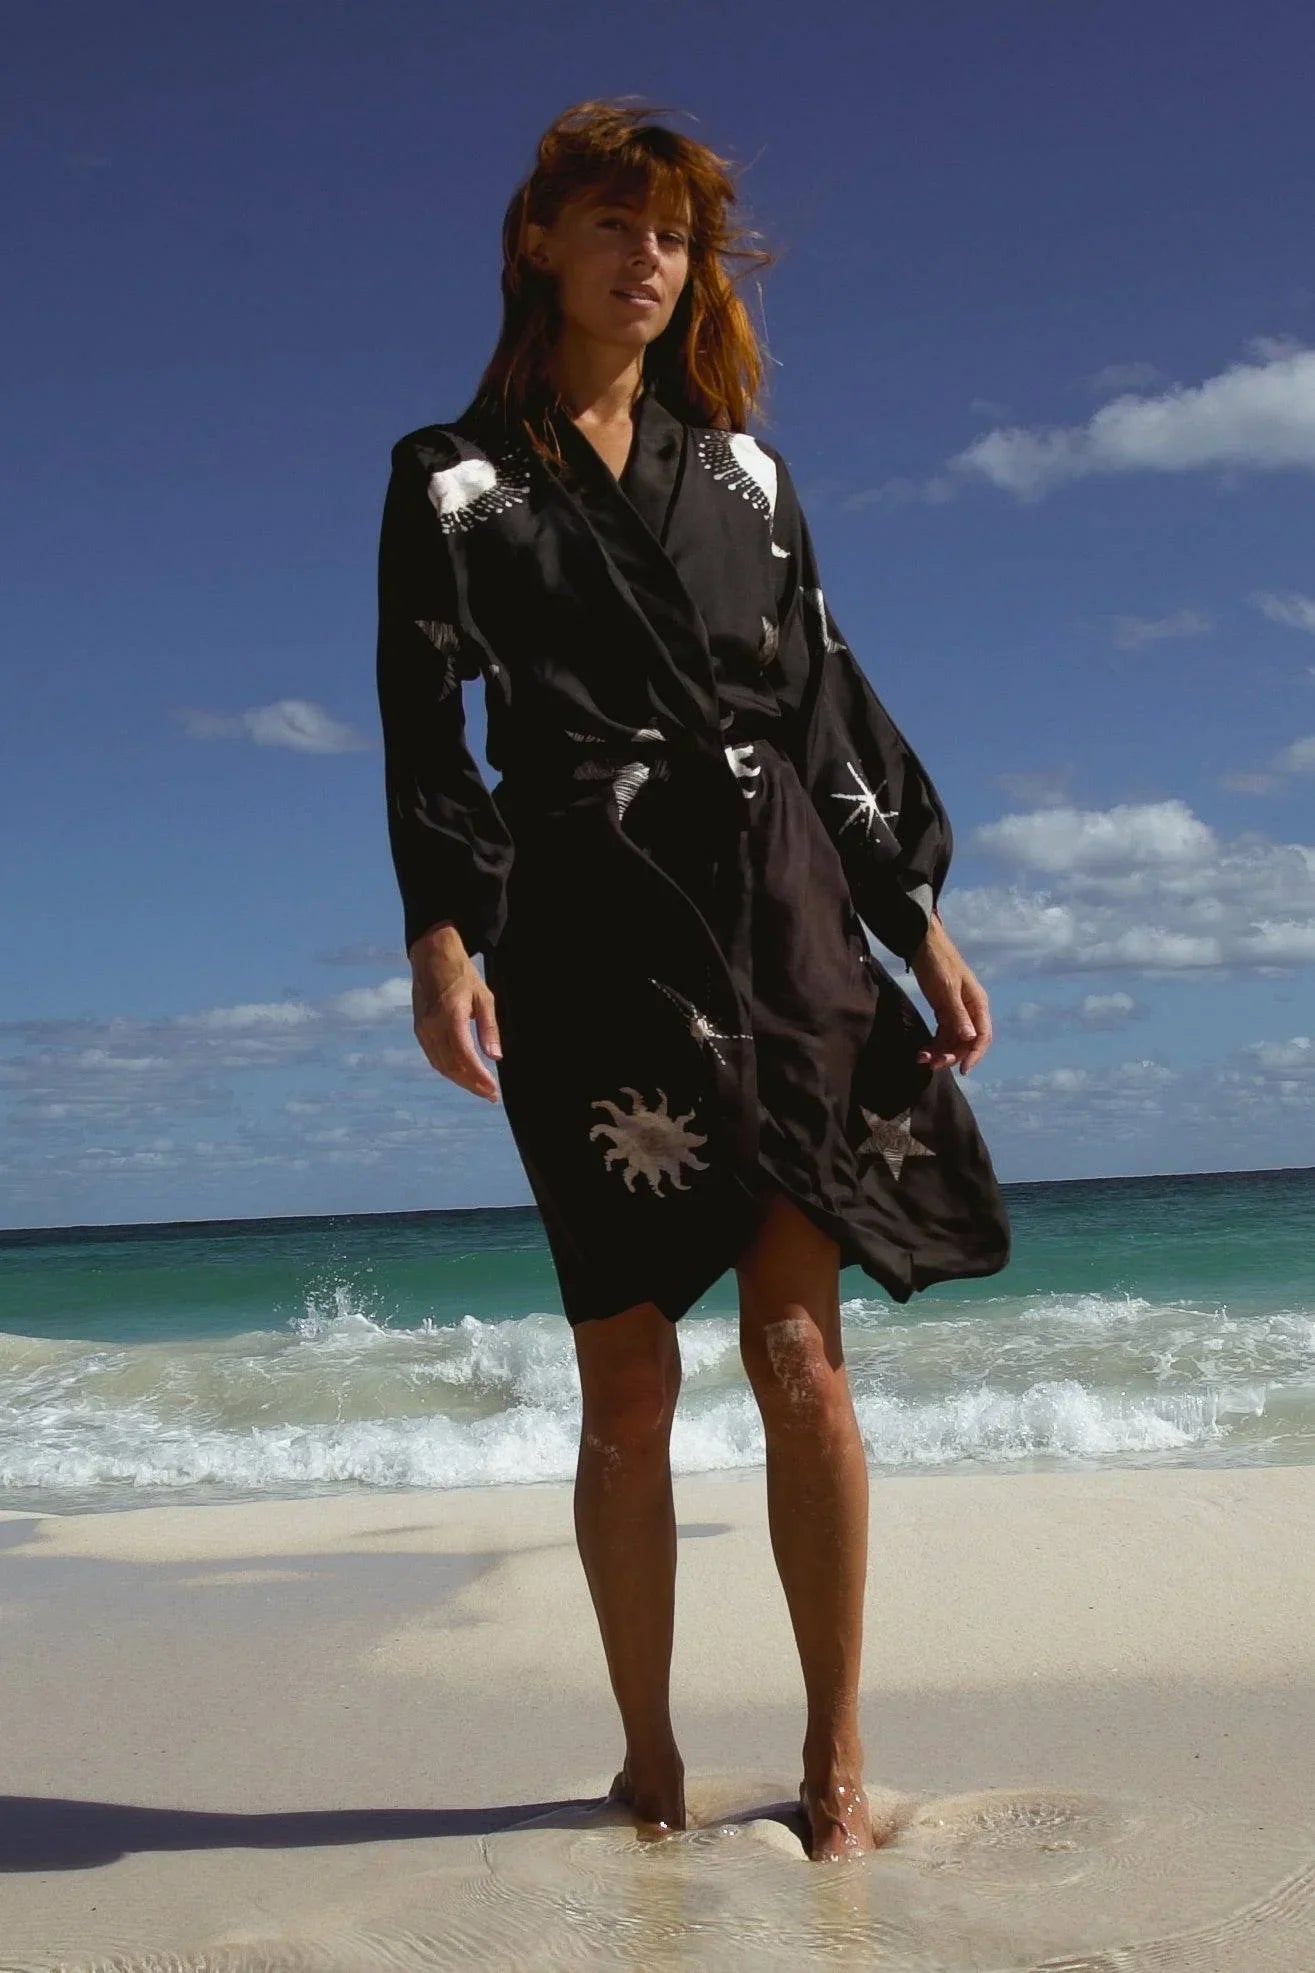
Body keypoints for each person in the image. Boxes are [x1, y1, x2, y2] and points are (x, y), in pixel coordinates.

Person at [375, 98, 1011, 1861]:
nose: (648, 259)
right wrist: (443, 934)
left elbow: (823, 698)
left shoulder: (746, 478)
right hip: (586, 928)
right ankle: (648, 1754)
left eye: (672, 235)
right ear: (541, 243)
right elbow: (424, 719)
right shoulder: (452, 476)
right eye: (614, 225)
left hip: (778, 915)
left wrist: (917, 909)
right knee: (628, 1378)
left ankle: (835, 1758)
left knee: (798, 1346)